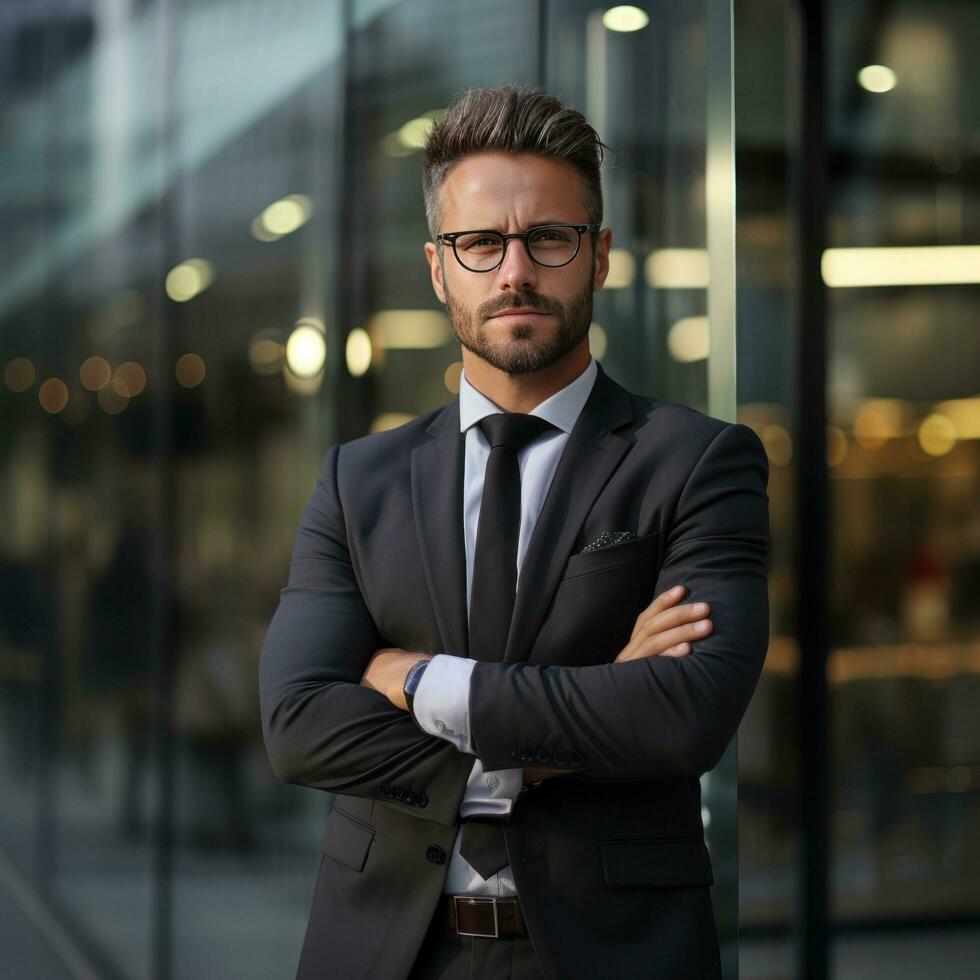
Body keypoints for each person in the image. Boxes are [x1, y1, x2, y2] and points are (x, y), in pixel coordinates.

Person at [259, 83, 770, 979]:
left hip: (614, 957)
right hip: (384, 951)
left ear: (599, 255)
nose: (514, 271)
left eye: (549, 238)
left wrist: (420, 681)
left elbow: (684, 718)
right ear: (436, 266)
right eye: (481, 242)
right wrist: (578, 716)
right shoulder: (358, 480)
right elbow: (299, 722)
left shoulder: (697, 462)